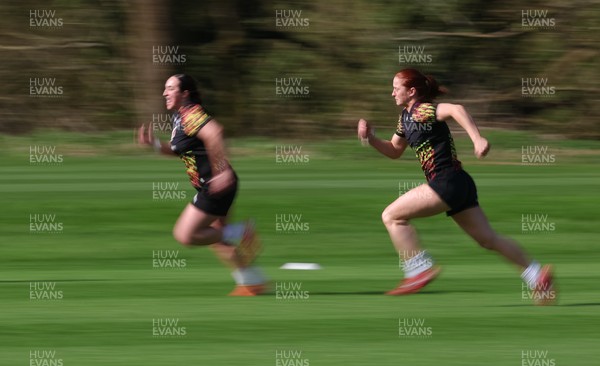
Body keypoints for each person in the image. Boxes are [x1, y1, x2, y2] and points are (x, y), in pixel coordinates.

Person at [357, 68, 555, 305]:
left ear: (411, 91)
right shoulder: (405, 118)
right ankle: (536, 275)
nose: (392, 93)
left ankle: (417, 269)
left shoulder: (422, 109)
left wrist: (477, 139)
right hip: (459, 183)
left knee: (391, 216)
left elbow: (455, 109)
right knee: (487, 240)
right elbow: (394, 150)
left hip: (446, 181)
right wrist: (372, 139)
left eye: (396, 88)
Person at [138, 74, 266, 296]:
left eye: (170, 88)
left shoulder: (192, 114)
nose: (164, 93)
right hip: (217, 185)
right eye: (165, 89)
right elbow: (180, 150)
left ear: (184, 93)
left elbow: (216, 132)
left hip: (215, 186)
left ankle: (243, 231)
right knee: (217, 238)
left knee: (185, 235)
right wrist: (155, 144)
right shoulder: (179, 118)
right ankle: (251, 282)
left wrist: (221, 170)